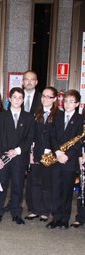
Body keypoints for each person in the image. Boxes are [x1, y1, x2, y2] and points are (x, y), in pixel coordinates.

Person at [0, 87, 34, 225]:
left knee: (18, 186)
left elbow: (29, 138)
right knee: (0, 185)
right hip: (3, 158)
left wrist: (17, 150)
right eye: (14, 97)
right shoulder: (2, 116)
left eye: (20, 98)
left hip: (19, 158)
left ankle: (16, 213)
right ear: (9, 99)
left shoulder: (28, 117)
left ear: (23, 100)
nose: (17, 100)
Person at [46, 89, 83, 229]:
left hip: (70, 160)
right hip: (57, 159)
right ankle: (55, 218)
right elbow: (52, 136)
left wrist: (67, 155)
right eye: (66, 101)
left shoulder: (80, 119)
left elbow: (80, 140)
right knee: (55, 189)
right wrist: (57, 152)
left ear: (77, 104)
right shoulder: (57, 117)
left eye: (71, 102)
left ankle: (64, 219)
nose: (67, 104)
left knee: (67, 191)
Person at [24, 87, 60, 222]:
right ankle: (35, 209)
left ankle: (45, 210)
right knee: (34, 182)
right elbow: (31, 135)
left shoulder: (58, 115)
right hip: (36, 152)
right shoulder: (36, 113)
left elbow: (57, 136)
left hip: (51, 154)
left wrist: (53, 151)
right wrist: (31, 152)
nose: (45, 99)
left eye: (49, 97)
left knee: (47, 183)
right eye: (43, 96)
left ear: (55, 99)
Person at [22, 70, 42, 212]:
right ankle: (14, 203)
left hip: (36, 142)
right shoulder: (17, 97)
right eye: (26, 79)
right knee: (17, 176)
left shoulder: (42, 98)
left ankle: (33, 206)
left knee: (34, 177)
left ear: (36, 82)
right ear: (23, 82)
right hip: (19, 143)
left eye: (32, 79)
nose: (29, 82)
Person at [71, 109, 85, 228]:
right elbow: (79, 141)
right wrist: (80, 156)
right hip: (84, 159)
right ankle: (81, 217)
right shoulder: (82, 122)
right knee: (82, 190)